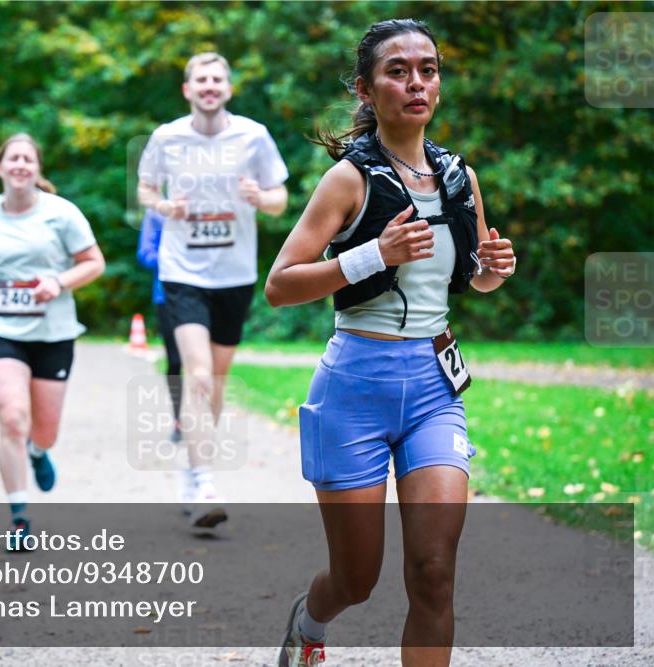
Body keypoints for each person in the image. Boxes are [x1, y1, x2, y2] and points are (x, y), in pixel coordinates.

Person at [264, 19, 516, 666]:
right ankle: (310, 621)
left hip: (435, 387)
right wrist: (371, 254)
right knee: (356, 577)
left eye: (428, 69)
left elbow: (471, 279)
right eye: (397, 71)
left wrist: (492, 270)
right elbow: (281, 285)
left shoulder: (461, 177)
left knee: (434, 571)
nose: (416, 82)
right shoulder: (349, 180)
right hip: (355, 389)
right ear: (366, 88)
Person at [137, 52, 289, 527]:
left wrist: (259, 198)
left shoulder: (253, 136)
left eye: (216, 79)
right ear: (187, 90)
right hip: (182, 272)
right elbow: (144, 189)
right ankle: (204, 481)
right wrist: (165, 207)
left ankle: (191, 468)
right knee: (198, 376)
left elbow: (281, 199)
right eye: (200, 79)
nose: (208, 86)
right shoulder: (166, 138)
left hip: (234, 274)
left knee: (216, 382)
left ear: (228, 88)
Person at [0, 133, 105, 548]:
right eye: (13, 158)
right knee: (13, 417)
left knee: (45, 431)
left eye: (28, 159)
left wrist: (58, 281)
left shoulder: (62, 214)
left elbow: (94, 263)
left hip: (53, 333)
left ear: (37, 169)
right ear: (1, 167)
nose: (20, 164)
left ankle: (39, 454)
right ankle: (20, 518)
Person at [135, 208, 183, 444]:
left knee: (205, 360)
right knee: (176, 360)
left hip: (208, 295)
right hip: (167, 296)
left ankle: (200, 416)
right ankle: (179, 419)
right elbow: (145, 254)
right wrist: (176, 254)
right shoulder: (156, 214)